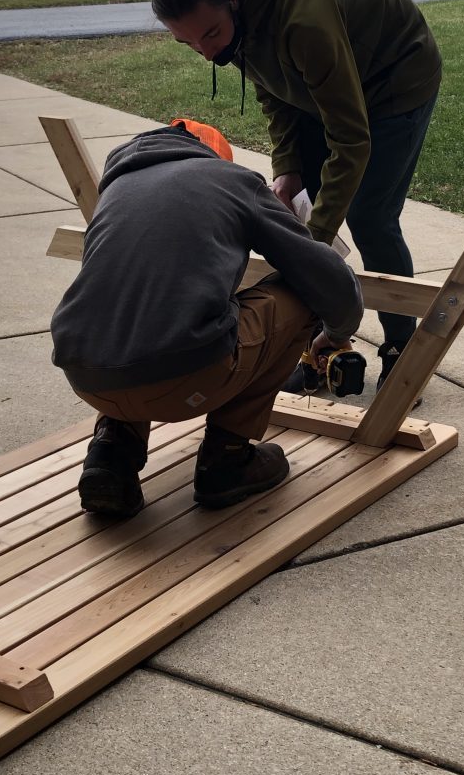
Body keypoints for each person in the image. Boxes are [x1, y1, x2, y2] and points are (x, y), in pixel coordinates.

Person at [151, 0, 441, 392]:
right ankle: (314, 348)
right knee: (297, 208)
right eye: (187, 43)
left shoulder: (304, 19)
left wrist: (313, 250)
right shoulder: (233, 20)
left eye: (209, 35)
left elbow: (350, 137)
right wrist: (288, 170)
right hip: (329, 73)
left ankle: (402, 351)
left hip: (394, 79)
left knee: (370, 216)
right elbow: (274, 91)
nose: (205, 53)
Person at [50, 122, 363, 518]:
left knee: (130, 312)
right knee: (302, 292)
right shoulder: (230, 180)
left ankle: (111, 453)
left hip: (87, 377)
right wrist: (336, 333)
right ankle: (228, 460)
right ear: (213, 156)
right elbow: (326, 276)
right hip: (189, 378)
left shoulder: (119, 186)